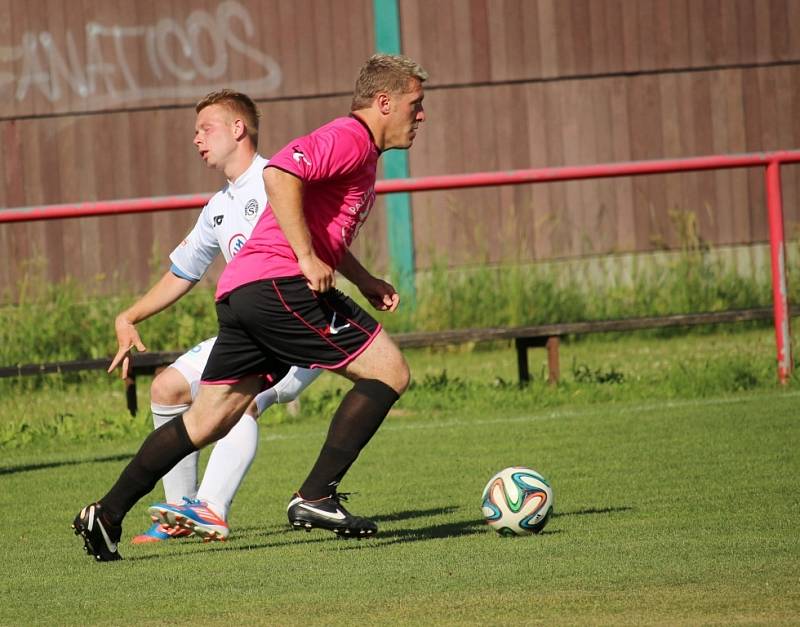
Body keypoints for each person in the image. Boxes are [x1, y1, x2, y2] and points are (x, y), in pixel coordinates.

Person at [73, 53, 428, 561]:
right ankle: (316, 495)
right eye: (415, 104)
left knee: (206, 421)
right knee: (390, 371)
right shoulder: (350, 136)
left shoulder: (362, 153)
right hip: (281, 284)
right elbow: (281, 174)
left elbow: (319, 224)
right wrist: (305, 258)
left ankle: (105, 514)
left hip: (245, 291)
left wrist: (363, 278)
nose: (421, 115)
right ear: (385, 101)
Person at [107, 89, 320, 544]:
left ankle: (212, 509)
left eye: (206, 128)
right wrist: (130, 315)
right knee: (167, 386)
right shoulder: (219, 206)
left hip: (298, 335)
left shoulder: (278, 182)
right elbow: (182, 272)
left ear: (237, 129)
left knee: (236, 405)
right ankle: (180, 514)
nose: (196, 139)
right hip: (250, 333)